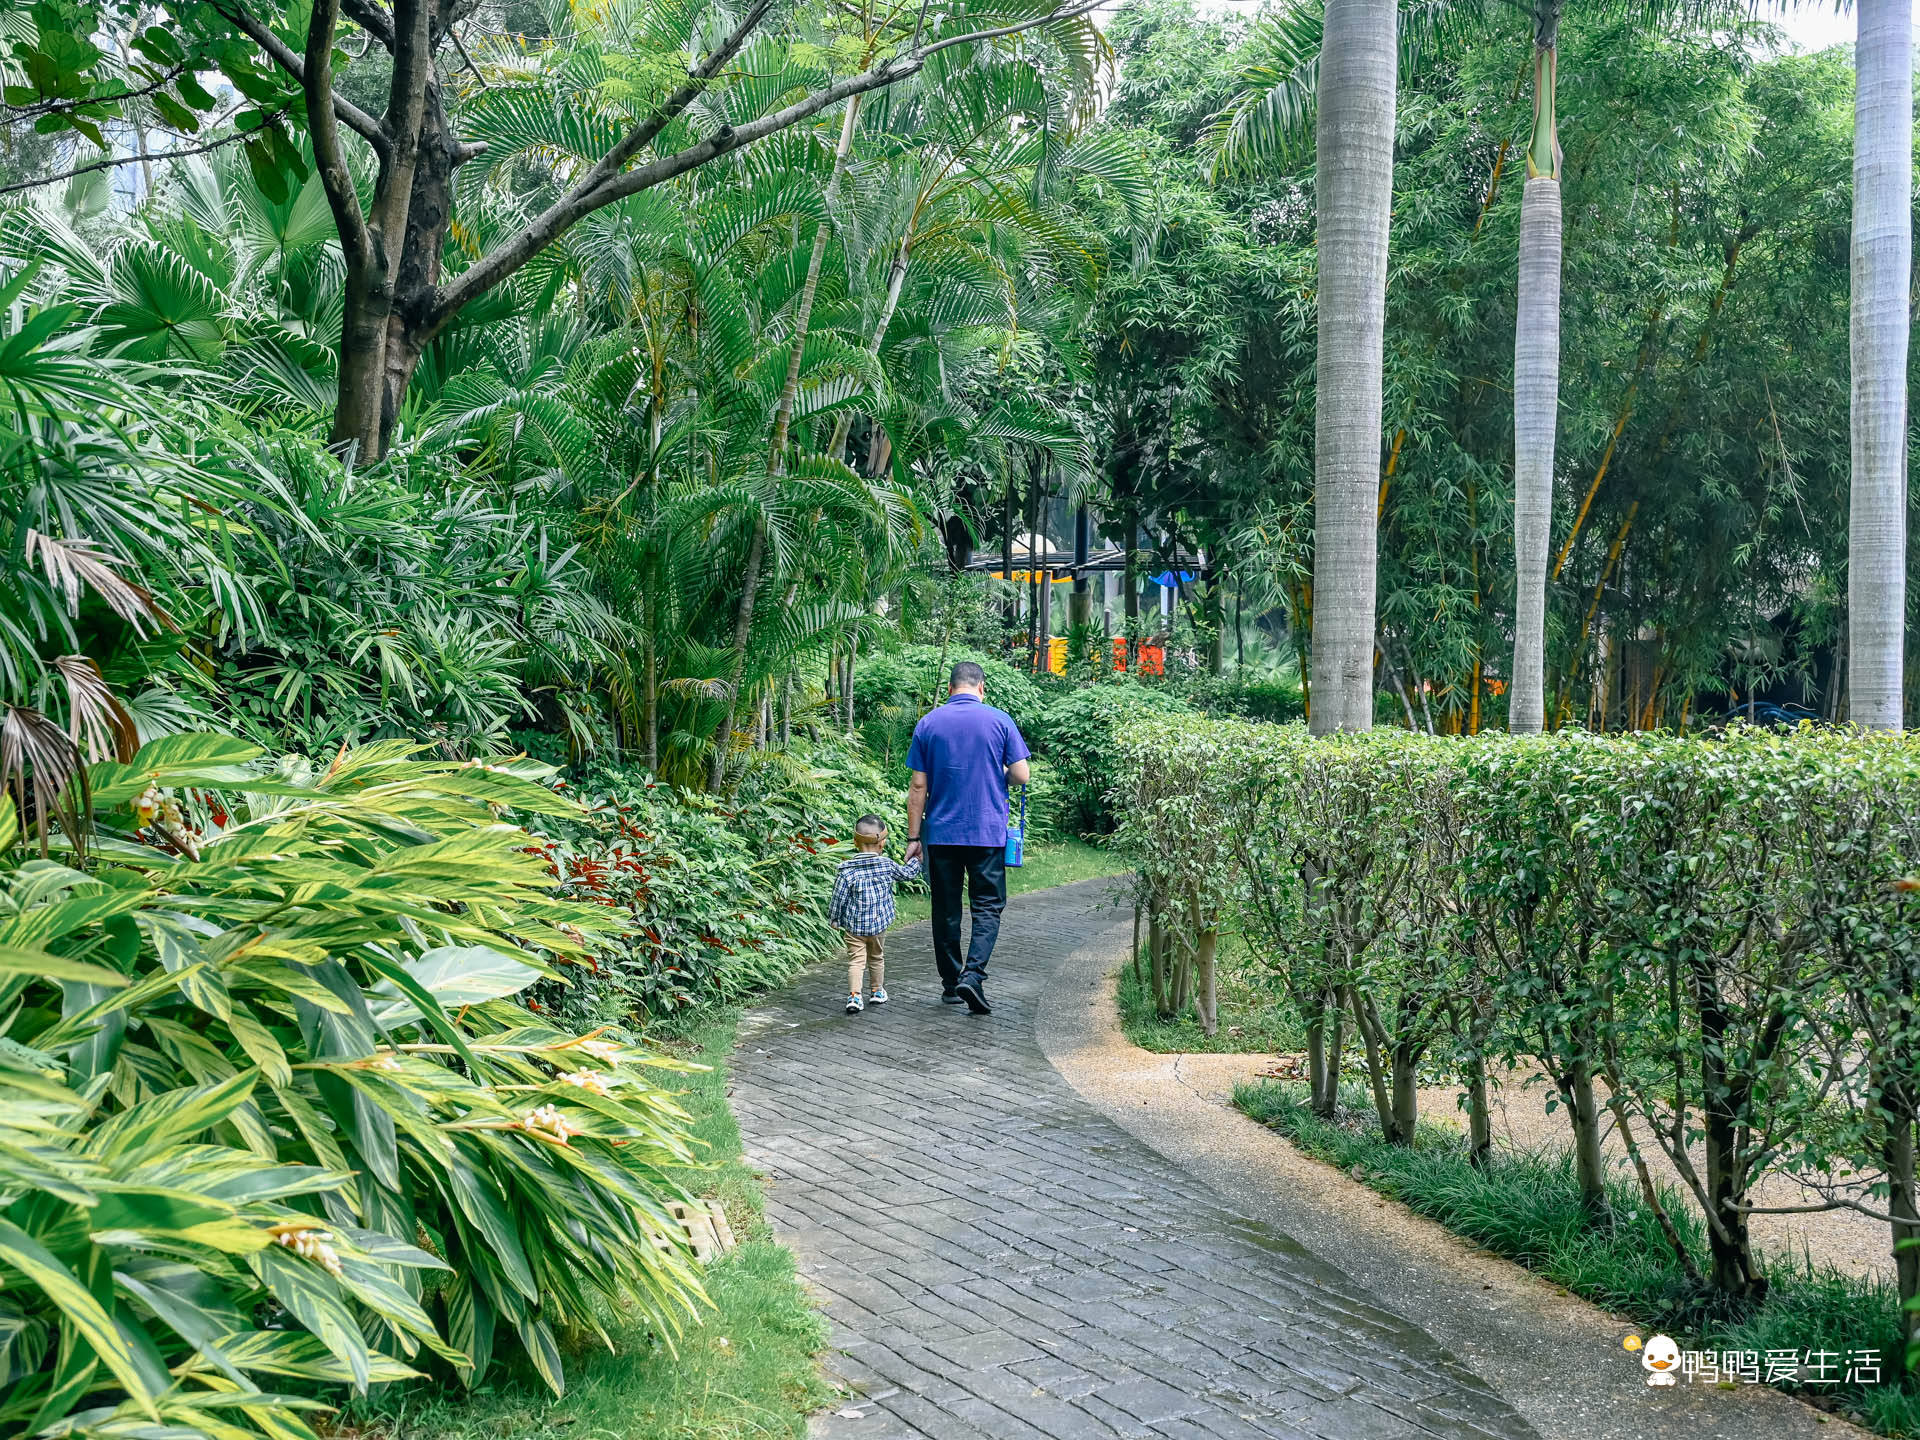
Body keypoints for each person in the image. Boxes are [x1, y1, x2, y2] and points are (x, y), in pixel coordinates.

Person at [901, 661, 1031, 1014]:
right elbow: (1021, 774)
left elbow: (918, 786)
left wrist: (914, 838)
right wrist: (999, 771)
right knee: (987, 905)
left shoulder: (929, 723)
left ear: (949, 689)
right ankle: (972, 975)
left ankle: (949, 985)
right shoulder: (999, 720)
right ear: (981, 688)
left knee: (945, 909)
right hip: (986, 832)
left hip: (941, 834)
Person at [827, 814, 920, 1015]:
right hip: (879, 925)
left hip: (854, 927)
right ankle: (877, 991)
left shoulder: (847, 871)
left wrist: (834, 918)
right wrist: (916, 860)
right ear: (882, 843)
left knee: (856, 961)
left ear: (855, 841)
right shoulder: (886, 865)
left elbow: (838, 898)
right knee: (877, 957)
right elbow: (907, 874)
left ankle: (854, 996)